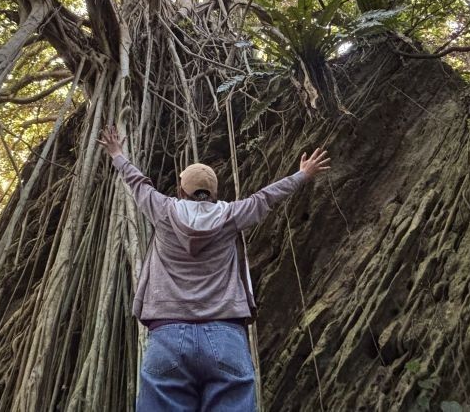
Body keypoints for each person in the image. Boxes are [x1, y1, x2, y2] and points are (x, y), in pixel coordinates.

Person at [97, 125, 331, 411]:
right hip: (225, 335)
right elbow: (267, 197)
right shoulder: (231, 214)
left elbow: (137, 182)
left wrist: (116, 153)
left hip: (168, 335)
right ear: (214, 192)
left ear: (181, 190)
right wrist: (303, 174)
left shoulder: (163, 209)